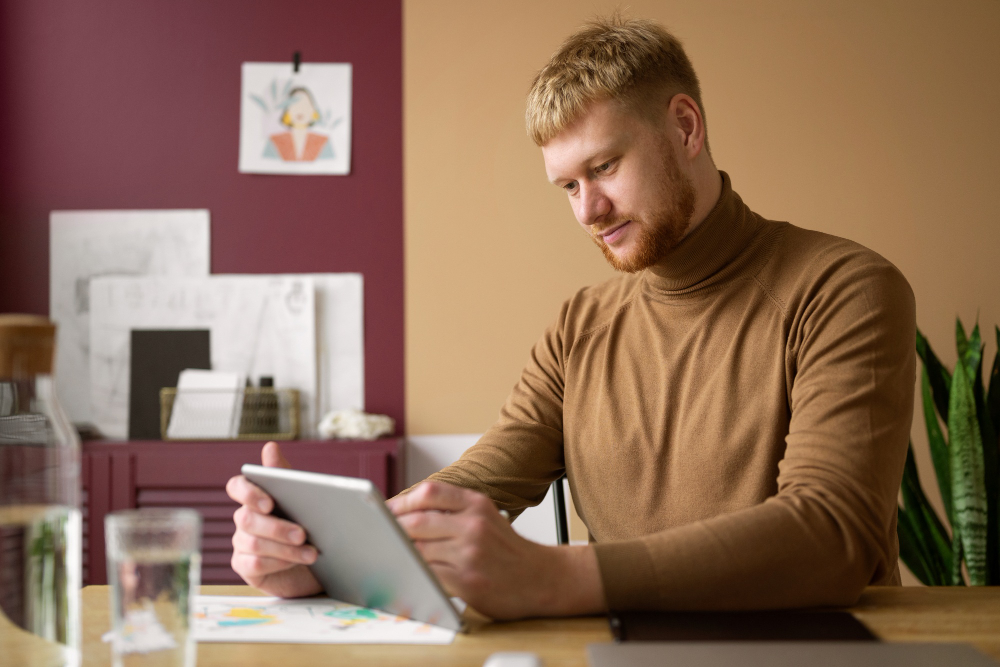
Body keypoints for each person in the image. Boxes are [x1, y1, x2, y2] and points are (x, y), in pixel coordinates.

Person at [226, 16, 915, 620]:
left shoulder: (845, 288)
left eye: (605, 166)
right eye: (568, 186)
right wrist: (324, 556)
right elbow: (486, 474)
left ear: (685, 127)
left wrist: (554, 576)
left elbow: (832, 535)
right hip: (625, 648)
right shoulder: (579, 324)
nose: (588, 211)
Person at [263, 86, 334, 162]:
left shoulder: (323, 142)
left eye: (305, 105)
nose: (300, 110)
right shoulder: (274, 141)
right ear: (287, 110)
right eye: (295, 105)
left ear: (313, 110)